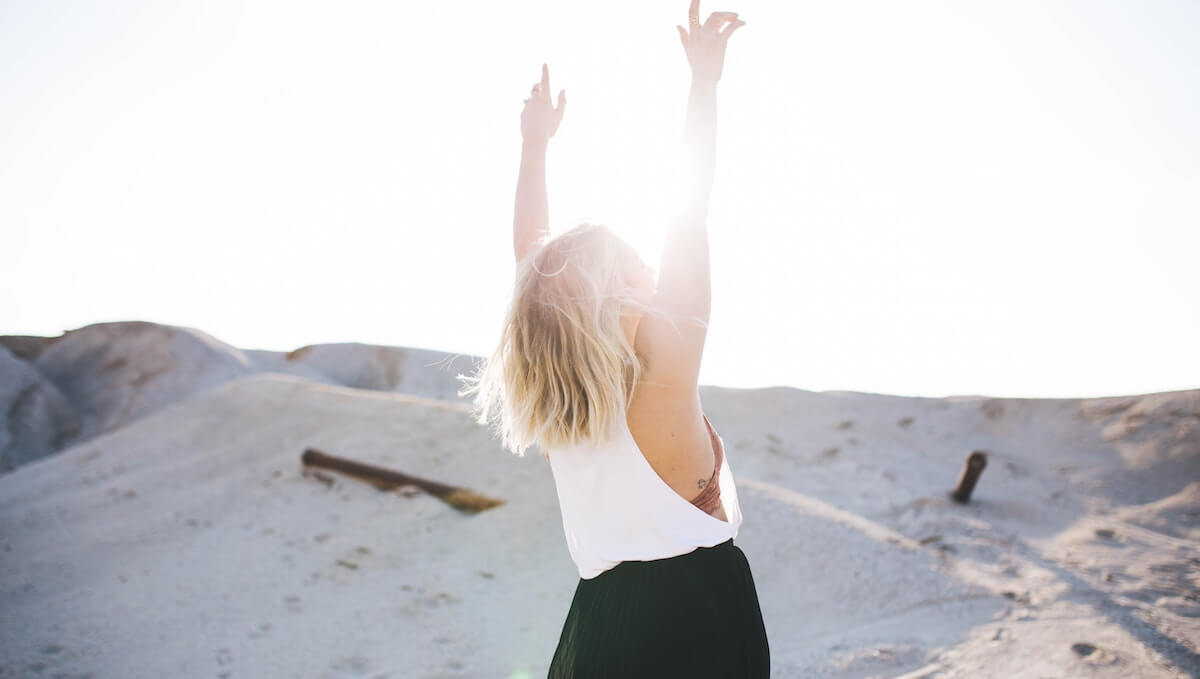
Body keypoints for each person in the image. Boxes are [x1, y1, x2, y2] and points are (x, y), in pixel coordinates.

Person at [458, 1, 768, 675]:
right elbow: (692, 213)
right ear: (612, 296)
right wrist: (703, 84)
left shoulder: (562, 414)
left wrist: (533, 145)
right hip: (698, 625)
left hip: (596, 626)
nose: (654, 273)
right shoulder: (663, 368)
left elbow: (529, 263)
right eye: (638, 266)